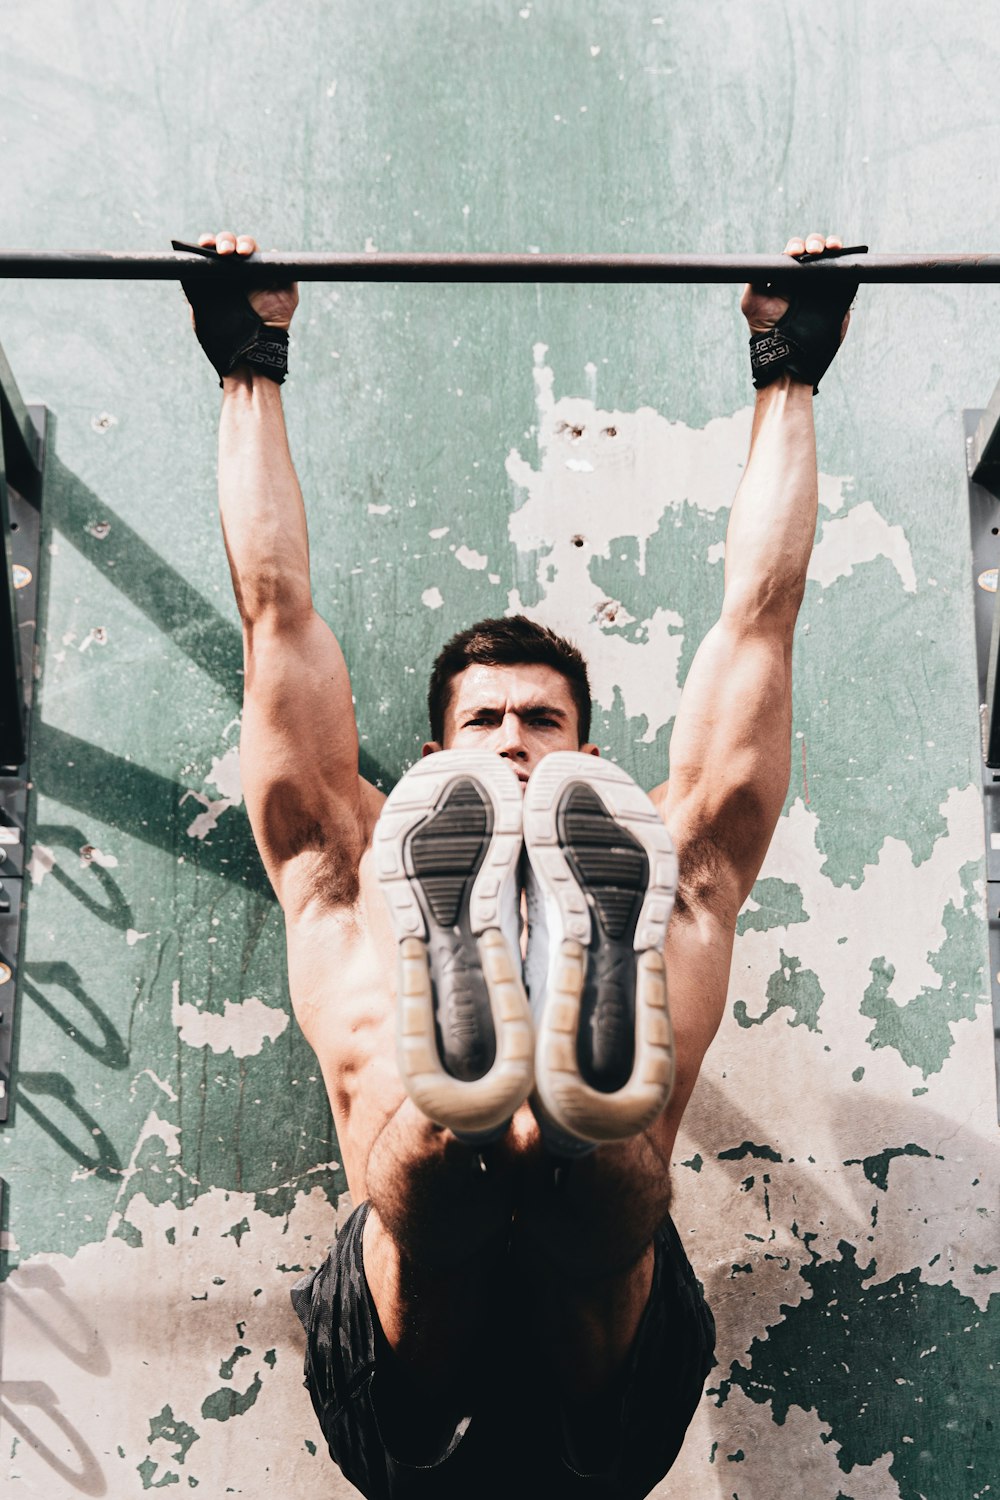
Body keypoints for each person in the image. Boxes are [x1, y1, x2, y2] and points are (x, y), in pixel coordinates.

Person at [180, 230, 856, 1499]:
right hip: (450, 1303)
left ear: (588, 750)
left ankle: (543, 1097)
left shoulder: (664, 854)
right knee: (470, 1187)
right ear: (431, 756)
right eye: (481, 726)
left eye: (539, 723)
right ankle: (497, 1093)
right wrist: (246, 363)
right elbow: (275, 615)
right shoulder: (359, 850)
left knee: (575, 1180)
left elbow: (760, 625)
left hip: (539, 1300)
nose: (511, 739)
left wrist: (789, 369)